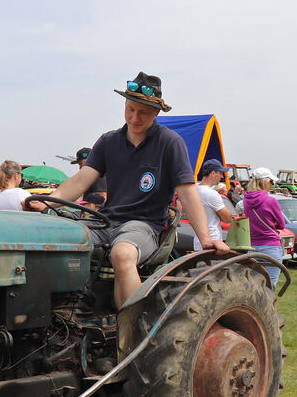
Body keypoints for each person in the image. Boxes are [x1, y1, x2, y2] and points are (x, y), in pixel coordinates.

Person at [52, 71, 228, 308]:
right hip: (106, 222)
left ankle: (134, 333)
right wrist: (46, 201)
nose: (134, 117)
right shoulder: (108, 141)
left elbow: (187, 193)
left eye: (143, 112)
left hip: (145, 225)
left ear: (156, 112)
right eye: (130, 109)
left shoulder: (169, 143)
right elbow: (82, 180)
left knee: (122, 254)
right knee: (57, 242)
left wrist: (205, 239)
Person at [242, 168, 286, 288]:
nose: (272, 185)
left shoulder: (246, 200)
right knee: (270, 285)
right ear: (265, 182)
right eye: (271, 182)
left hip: (253, 246)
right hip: (271, 246)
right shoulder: (271, 201)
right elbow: (282, 224)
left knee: (254, 286)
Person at [191, 159, 233, 251]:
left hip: (198, 241)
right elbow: (227, 218)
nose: (221, 177)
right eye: (221, 173)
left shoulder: (194, 190)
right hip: (212, 242)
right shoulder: (211, 194)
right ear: (213, 173)